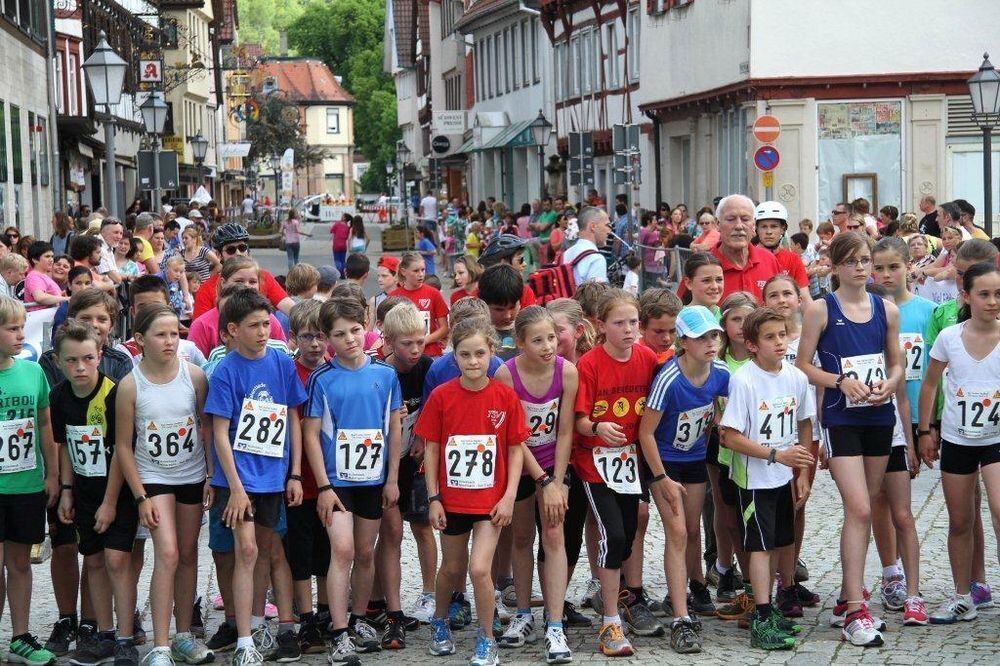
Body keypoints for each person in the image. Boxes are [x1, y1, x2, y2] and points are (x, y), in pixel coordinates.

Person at [795, 232, 903, 647]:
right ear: (836, 267)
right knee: (858, 507)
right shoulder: (821, 310)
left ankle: (849, 595)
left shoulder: (886, 309)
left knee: (867, 508)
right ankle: (856, 609)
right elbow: (805, 365)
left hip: (878, 416)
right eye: (852, 261)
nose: (861, 267)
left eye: (865, 260)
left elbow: (895, 365)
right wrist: (840, 381)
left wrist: (889, 386)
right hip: (841, 419)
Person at [204, 289, 307, 666]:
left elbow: (292, 416)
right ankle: (245, 638)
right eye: (255, 325)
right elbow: (219, 432)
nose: (264, 331)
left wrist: (294, 473)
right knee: (245, 552)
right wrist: (233, 487)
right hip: (240, 480)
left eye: (268, 323)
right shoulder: (226, 371)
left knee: (270, 550)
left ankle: (281, 628)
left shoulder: (281, 363)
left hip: (274, 478)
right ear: (233, 329)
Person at [416, 317, 526, 666]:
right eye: (465, 354)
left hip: (490, 501)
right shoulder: (441, 396)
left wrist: (509, 497)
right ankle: (439, 621)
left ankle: (486, 637)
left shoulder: (505, 397)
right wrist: (433, 498)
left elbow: (515, 449)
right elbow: (431, 449)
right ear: (454, 356)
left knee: (480, 569)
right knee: (451, 568)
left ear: (492, 352)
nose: (473, 361)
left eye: (480, 353)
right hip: (452, 500)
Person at [111, 304, 214, 666]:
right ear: (139, 340)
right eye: (161, 334)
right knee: (167, 553)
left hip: (191, 474)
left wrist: (211, 475)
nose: (170, 341)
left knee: (187, 554)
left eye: (174, 333)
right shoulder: (129, 385)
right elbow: (123, 445)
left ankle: (184, 634)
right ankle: (159, 644)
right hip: (152, 477)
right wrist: (139, 495)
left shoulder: (195, 376)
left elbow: (207, 427)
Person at [302, 297, 403, 663]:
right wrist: (324, 486)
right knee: (342, 550)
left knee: (364, 552)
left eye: (355, 330)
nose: (350, 339)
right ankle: (339, 631)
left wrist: (392, 478)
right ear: (328, 339)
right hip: (337, 482)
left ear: (366, 327)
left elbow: (394, 427)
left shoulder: (385, 374)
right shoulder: (322, 379)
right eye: (340, 334)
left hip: (373, 480)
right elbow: (310, 433)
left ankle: (359, 618)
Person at [719, 307, 816, 650]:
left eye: (782, 334)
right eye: (769, 337)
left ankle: (769, 605)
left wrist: (801, 470)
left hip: (782, 476)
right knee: (759, 546)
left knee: (778, 542)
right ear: (753, 344)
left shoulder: (796, 377)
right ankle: (760, 614)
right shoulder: (744, 379)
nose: (779, 342)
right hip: (753, 478)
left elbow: (804, 422)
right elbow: (729, 436)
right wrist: (776, 455)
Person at [638, 306, 729, 654]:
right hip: (665, 463)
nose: (710, 343)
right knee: (677, 533)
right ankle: (680, 619)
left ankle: (689, 591)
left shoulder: (720, 373)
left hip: (693, 460)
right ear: (683, 341)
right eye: (701, 337)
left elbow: (735, 403)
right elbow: (646, 433)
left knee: (691, 531)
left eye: (714, 335)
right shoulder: (669, 379)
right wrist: (659, 477)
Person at [573, 289, 659, 656]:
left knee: (625, 537)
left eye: (633, 323)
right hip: (594, 463)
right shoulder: (589, 365)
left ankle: (619, 602)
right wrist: (597, 427)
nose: (628, 330)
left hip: (630, 463)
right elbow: (578, 420)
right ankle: (610, 622)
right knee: (612, 534)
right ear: (600, 326)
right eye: (619, 323)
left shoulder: (647, 358)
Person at [50, 319, 141, 666]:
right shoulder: (59, 395)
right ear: (59, 361)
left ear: (100, 356)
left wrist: (109, 502)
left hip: (116, 492)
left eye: (87, 358)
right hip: (84, 491)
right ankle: (103, 634)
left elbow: (121, 449)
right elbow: (66, 445)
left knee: (118, 559)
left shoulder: (115, 392)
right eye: (71, 360)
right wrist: (67, 490)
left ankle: (125, 636)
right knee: (95, 560)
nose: (80, 367)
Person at [492, 306, 577, 663]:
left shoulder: (567, 372)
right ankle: (523, 613)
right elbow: (513, 436)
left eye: (552, 338)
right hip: (519, 462)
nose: (547, 346)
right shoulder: (506, 375)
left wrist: (556, 481)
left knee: (554, 535)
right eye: (538, 340)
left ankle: (554, 624)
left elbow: (566, 430)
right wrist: (541, 480)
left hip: (552, 462)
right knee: (523, 536)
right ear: (520, 343)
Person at [918, 262, 1000, 625]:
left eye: (998, 294)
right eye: (984, 294)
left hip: (996, 439)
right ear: (965, 296)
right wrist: (925, 431)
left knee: (999, 509)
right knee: (960, 520)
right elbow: (930, 384)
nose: (993, 301)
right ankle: (963, 595)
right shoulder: (949, 337)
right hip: (957, 440)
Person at [366, 303, 436, 642]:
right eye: (407, 343)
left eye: (420, 342)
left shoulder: (428, 368)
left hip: (414, 459)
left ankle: (425, 595)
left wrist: (423, 432)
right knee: (389, 532)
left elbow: (437, 407)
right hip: (382, 463)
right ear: (388, 341)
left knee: (420, 526)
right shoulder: (379, 371)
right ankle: (379, 602)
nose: (415, 350)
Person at [0, 296, 60, 666]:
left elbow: (44, 423)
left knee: (20, 563)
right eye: (11, 328)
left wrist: (52, 473)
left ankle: (20, 636)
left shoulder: (32, 371)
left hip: (25, 485)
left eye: (22, 327)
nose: (20, 334)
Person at [282, 301, 331, 655]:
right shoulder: (289, 375)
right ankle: (306, 616)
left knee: (327, 550)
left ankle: (328, 611)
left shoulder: (334, 372)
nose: (315, 343)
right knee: (299, 551)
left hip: (332, 479)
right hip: (299, 481)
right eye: (307, 336)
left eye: (320, 336)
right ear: (293, 338)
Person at [187, 257, 288, 357]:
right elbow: (194, 365)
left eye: (252, 282)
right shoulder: (202, 325)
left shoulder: (269, 320)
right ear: (223, 283)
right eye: (239, 281)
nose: (246, 286)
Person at [192, 223, 293, 321]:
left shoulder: (263, 276)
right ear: (218, 255)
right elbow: (200, 328)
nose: (238, 253)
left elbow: (290, 308)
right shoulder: (206, 289)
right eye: (231, 250)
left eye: (242, 247)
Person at [692, 195, 781, 303]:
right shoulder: (701, 266)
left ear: (753, 225)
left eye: (745, 219)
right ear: (718, 224)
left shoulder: (769, 260)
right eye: (731, 219)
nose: (739, 226)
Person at [388, 252, 450, 357]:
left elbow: (444, 328)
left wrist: (423, 341)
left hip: (430, 353)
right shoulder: (393, 297)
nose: (421, 274)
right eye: (416, 271)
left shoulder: (433, 293)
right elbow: (389, 330)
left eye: (423, 270)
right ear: (403, 272)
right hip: (403, 355)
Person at [753, 202, 810, 306]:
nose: (769, 231)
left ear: (783, 229)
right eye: (764, 227)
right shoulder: (748, 257)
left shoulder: (793, 259)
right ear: (756, 229)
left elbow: (805, 298)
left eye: (774, 226)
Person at [561, 208, 610, 286]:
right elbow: (596, 297)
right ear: (593, 226)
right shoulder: (596, 259)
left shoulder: (566, 254)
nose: (609, 231)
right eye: (607, 225)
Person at [25, 241, 70, 310]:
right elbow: (40, 297)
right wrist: (65, 299)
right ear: (34, 260)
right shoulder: (33, 276)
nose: (51, 260)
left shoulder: (42, 275)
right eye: (47, 256)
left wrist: (60, 294)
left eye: (52, 256)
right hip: (40, 318)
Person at [368, 256, 399, 329]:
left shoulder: (405, 298)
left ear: (396, 277)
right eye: (378, 276)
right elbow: (369, 329)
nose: (379, 279)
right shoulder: (374, 300)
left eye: (384, 276)